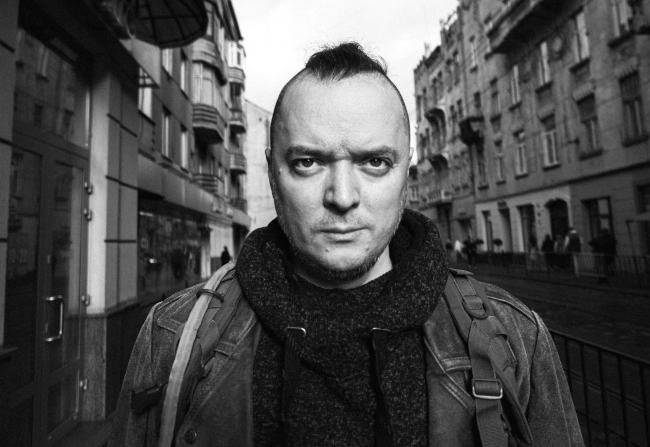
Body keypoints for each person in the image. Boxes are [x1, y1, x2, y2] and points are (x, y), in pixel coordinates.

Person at [110, 43, 583, 446]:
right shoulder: (174, 335)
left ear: (406, 173)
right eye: (308, 163)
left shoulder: (513, 337)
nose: (341, 196)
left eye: (374, 162)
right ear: (272, 172)